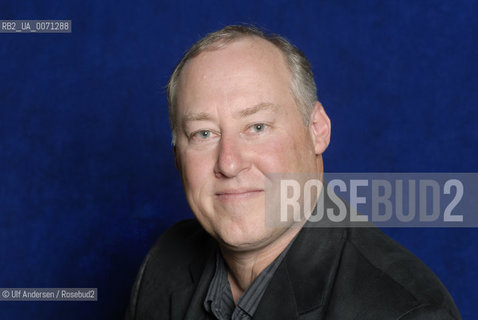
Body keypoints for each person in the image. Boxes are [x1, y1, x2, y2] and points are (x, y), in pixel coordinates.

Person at [126, 25, 460, 320]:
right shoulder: (163, 262)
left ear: (317, 129)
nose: (228, 163)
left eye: (257, 127)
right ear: (176, 156)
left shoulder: (405, 312)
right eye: (203, 133)